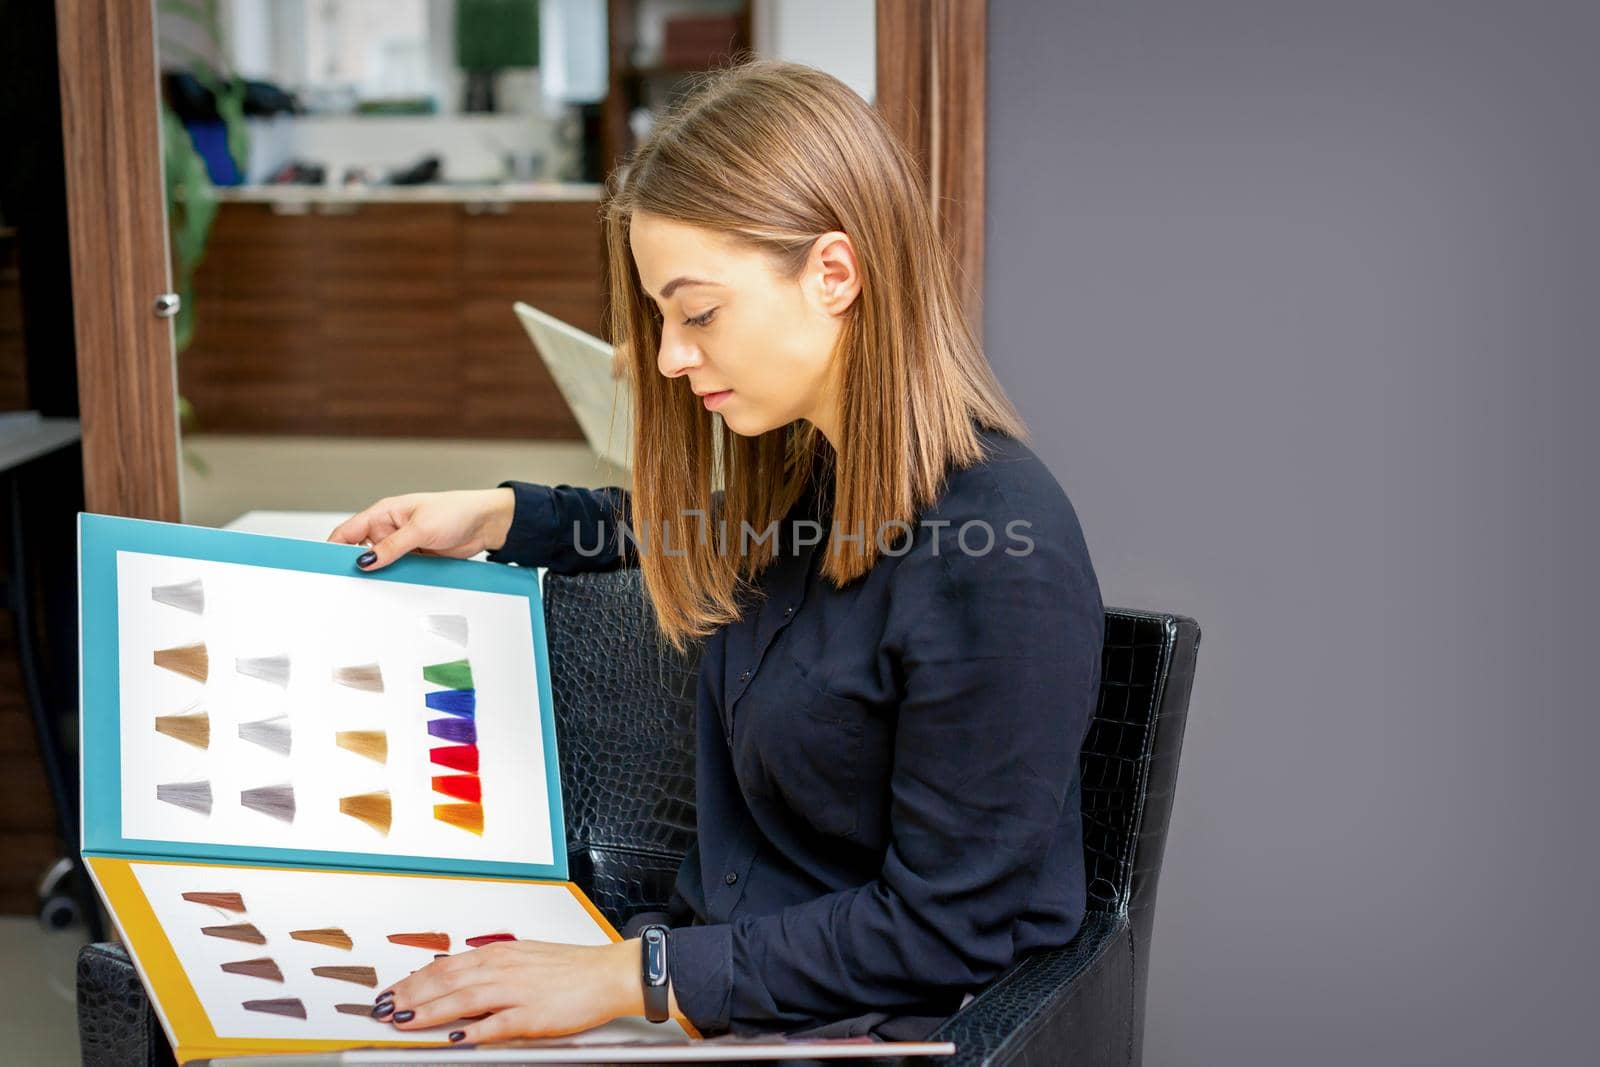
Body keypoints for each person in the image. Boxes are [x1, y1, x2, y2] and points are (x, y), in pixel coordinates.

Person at [327, 58, 1104, 1046]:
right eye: (660, 317)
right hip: (731, 986)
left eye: (696, 312)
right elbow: (698, 530)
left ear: (834, 272)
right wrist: (495, 517)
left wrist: (638, 975)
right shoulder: (814, 481)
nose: (667, 355)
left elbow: (945, 929)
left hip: (874, 1024)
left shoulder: (999, 552)